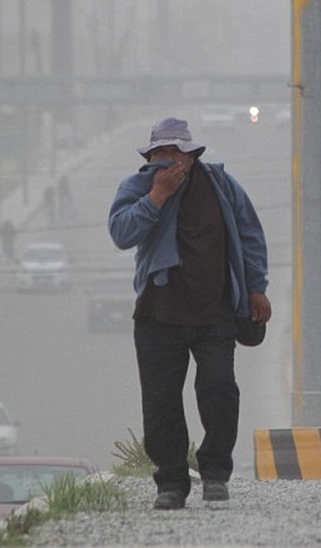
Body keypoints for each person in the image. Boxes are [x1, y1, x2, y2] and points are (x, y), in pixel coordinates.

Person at [108, 116, 271, 511]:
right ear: (150, 159)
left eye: (176, 153)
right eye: (160, 154)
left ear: (192, 155)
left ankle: (215, 473)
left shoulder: (221, 186)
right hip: (157, 315)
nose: (169, 161)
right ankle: (171, 483)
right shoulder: (138, 187)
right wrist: (156, 198)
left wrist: (255, 288)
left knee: (219, 390)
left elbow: (250, 235)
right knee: (161, 402)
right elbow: (121, 233)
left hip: (214, 311)